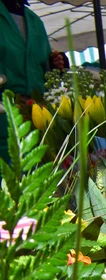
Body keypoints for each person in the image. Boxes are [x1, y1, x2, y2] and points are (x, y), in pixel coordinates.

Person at [0, 0, 67, 162]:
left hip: (36, 110)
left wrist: (56, 65)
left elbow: (43, 68)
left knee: (38, 170)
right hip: (4, 111)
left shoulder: (34, 21)